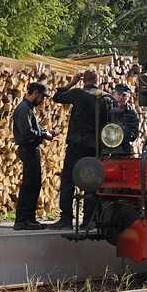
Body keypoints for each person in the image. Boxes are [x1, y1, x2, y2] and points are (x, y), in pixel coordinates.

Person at [50, 69, 112, 229]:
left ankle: (66, 218)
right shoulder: (105, 98)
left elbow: (57, 97)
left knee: (68, 178)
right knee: (92, 180)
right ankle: (88, 219)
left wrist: (72, 82)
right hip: (95, 146)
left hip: (77, 143)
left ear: (83, 80)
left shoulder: (78, 94)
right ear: (98, 81)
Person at [12, 82, 55, 231]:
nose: (43, 101)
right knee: (29, 185)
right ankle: (22, 220)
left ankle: (29, 218)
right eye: (43, 97)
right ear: (36, 93)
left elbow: (32, 129)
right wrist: (44, 135)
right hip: (28, 148)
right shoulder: (24, 110)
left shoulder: (27, 109)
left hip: (30, 149)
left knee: (34, 184)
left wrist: (45, 131)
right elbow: (27, 132)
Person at [108, 83, 140, 156]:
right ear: (114, 95)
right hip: (106, 146)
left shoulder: (132, 113)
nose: (121, 98)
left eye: (124, 95)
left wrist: (122, 134)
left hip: (123, 148)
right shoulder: (107, 108)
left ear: (128, 97)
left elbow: (134, 133)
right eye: (119, 94)